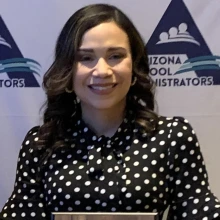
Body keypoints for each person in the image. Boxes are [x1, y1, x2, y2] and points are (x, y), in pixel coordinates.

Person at [0, 3, 220, 220]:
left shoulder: (172, 136)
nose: (102, 71)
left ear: (134, 65)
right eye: (86, 58)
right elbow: (22, 212)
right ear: (68, 69)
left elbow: (198, 207)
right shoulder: (42, 142)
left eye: (115, 56)